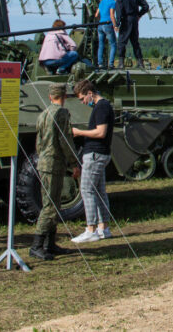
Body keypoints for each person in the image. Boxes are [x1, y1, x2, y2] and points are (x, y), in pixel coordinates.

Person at [30, 84, 78, 260]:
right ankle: (37, 245)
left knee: (52, 204)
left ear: (51, 97)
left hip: (44, 162)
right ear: (64, 96)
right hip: (54, 164)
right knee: (51, 206)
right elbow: (65, 141)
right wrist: (74, 162)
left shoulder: (43, 115)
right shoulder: (61, 114)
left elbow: (39, 142)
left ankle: (50, 244)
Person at [71, 79, 114, 243]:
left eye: (83, 98)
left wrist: (79, 132)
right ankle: (104, 227)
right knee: (99, 191)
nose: (83, 102)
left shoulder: (101, 107)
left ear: (90, 93)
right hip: (100, 154)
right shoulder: (103, 106)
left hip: (95, 154)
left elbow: (101, 132)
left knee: (87, 190)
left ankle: (91, 229)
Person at [115, 0, 150, 68]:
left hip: (126, 20)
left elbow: (119, 11)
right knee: (135, 42)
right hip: (134, 20)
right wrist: (139, 15)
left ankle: (121, 63)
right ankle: (140, 63)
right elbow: (146, 6)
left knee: (122, 42)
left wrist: (117, 23)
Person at [95, 0, 118, 69]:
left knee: (101, 45)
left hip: (100, 24)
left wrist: (100, 20)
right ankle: (111, 64)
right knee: (113, 44)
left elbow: (96, 14)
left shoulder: (102, 1)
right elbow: (112, 15)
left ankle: (100, 63)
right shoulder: (113, 2)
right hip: (108, 24)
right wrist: (115, 25)